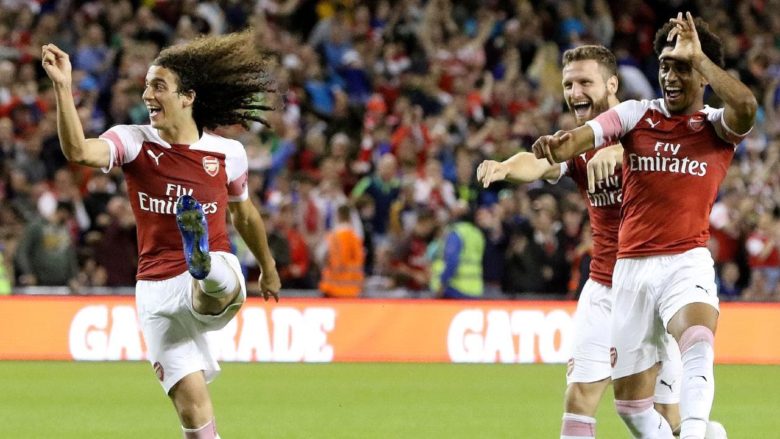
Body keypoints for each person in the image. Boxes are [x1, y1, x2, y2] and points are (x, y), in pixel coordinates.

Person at [42, 30, 282, 439]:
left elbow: (244, 215)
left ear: (188, 97)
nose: (147, 95)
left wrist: (268, 266)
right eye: (146, 86)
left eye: (158, 85)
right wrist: (63, 87)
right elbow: (79, 152)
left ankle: (201, 265)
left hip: (213, 272)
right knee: (192, 411)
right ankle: (200, 265)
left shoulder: (228, 153)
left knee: (210, 284)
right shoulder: (134, 141)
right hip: (154, 291)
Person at [532, 13, 756, 438]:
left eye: (682, 66)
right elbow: (590, 134)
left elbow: (745, 106)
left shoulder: (714, 127)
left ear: (703, 72)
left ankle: (693, 431)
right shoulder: (637, 114)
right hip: (630, 272)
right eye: (665, 65)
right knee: (632, 408)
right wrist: (561, 144)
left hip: (685, 261)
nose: (670, 76)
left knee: (697, 341)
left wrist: (701, 58)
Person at [478, 45, 683, 438]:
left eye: (585, 82)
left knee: (663, 417)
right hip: (604, 287)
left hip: (652, 289)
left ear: (611, 84)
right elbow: (539, 160)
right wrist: (505, 167)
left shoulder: (649, 123)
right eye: (569, 84)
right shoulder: (579, 143)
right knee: (579, 400)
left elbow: (674, 159)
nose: (574, 92)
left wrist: (625, 152)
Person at [429, 200, 485, 299]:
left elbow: (452, 261)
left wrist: (442, 284)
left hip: (455, 289)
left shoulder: (456, 232)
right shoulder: (477, 233)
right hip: (475, 289)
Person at [318, 204, 365, 298]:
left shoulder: (333, 237)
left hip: (332, 289)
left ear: (338, 216)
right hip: (352, 290)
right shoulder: (356, 239)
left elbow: (320, 256)